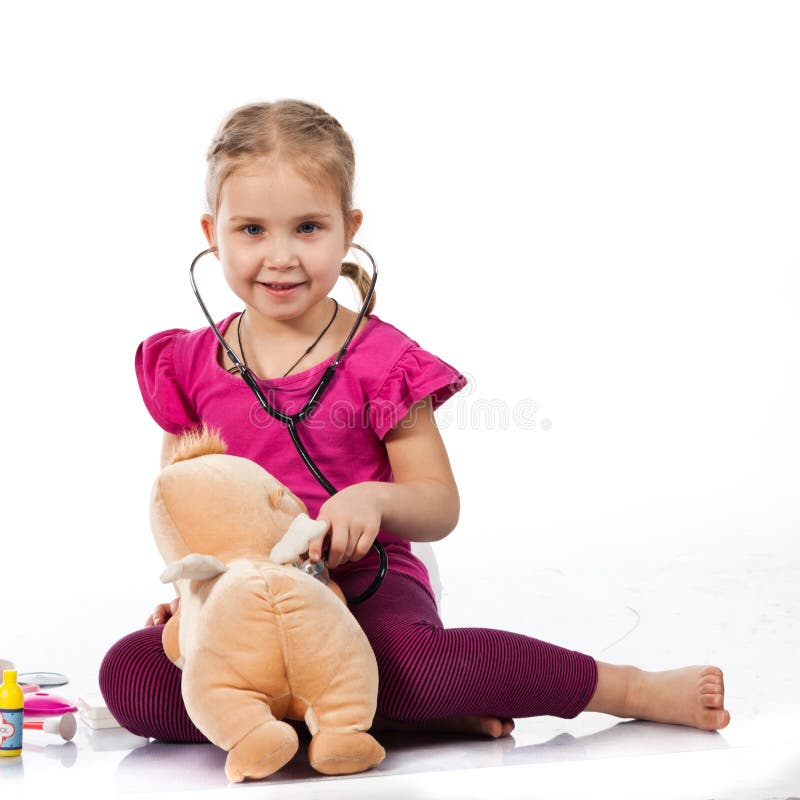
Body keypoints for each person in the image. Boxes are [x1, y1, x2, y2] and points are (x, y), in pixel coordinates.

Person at [99, 99, 729, 743]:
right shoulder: (186, 364)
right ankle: (365, 712)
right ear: (213, 233)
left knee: (414, 668)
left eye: (309, 228)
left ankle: (624, 686)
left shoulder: (383, 361)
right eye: (252, 230)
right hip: (245, 603)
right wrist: (198, 592)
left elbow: (439, 505)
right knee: (130, 677)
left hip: (366, 584)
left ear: (349, 229)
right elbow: (185, 503)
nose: (281, 256)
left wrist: (372, 500)